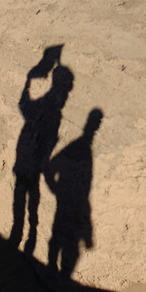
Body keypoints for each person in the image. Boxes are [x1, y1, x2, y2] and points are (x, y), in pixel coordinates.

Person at [10, 46, 73, 256]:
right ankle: (22, 237)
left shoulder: (51, 110)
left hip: (31, 161)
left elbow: (24, 103)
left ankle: (26, 237)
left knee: (28, 200)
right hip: (28, 160)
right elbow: (24, 104)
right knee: (23, 200)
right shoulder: (49, 108)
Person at [45, 108, 102, 278]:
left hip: (78, 201)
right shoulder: (77, 146)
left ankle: (58, 275)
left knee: (66, 240)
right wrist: (56, 190)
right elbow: (50, 168)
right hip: (68, 200)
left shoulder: (84, 147)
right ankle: (53, 271)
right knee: (60, 238)